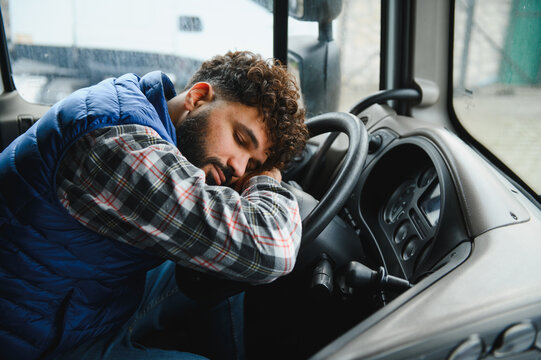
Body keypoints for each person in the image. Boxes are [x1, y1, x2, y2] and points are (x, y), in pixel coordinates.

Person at [0, 51, 308, 360]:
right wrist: (267, 179)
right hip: (42, 340)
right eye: (241, 139)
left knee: (228, 268)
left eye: (252, 165)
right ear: (198, 97)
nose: (239, 169)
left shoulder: (144, 110)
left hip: (89, 298)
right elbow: (273, 249)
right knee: (240, 253)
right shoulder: (118, 146)